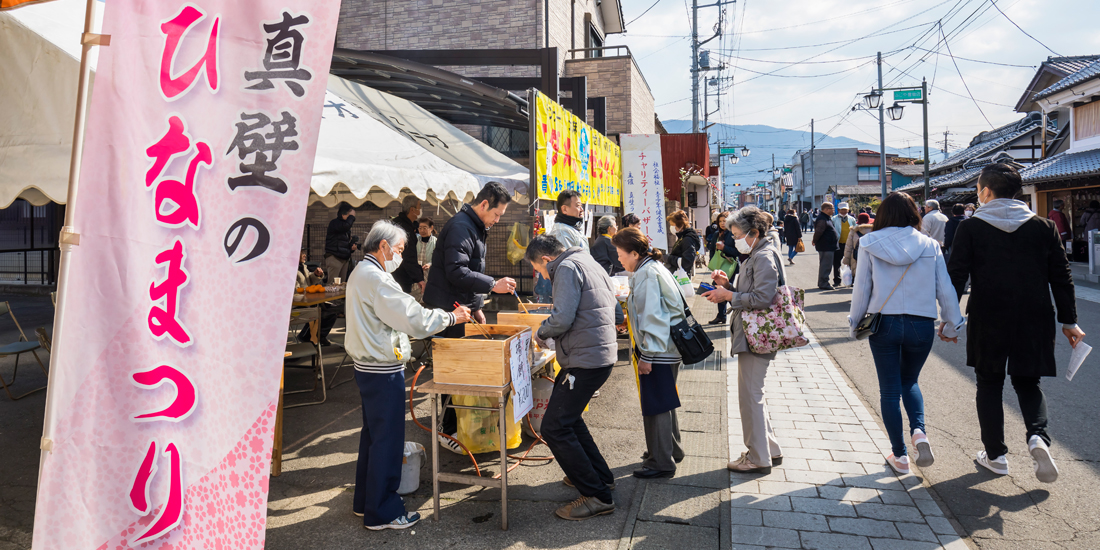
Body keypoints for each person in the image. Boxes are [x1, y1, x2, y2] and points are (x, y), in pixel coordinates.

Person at [947, 163, 1082, 483]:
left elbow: (956, 277)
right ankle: (1037, 436)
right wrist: (1069, 322)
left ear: (985, 192)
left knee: (989, 384)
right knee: (1028, 382)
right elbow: (1062, 278)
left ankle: (996, 456)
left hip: (988, 315)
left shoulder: (971, 227)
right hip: (1034, 315)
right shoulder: (1043, 227)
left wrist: (950, 320)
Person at [345, 220, 472, 530]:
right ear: (383, 246)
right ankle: (383, 512)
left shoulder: (361, 273)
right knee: (387, 441)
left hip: (367, 367)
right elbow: (413, 318)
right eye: (399, 249)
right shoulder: (377, 278)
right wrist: (451, 317)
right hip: (381, 369)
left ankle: (366, 502)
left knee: (373, 438)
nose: (401, 255)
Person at [847, 193, 964, 474]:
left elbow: (862, 288)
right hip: (921, 322)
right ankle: (919, 432)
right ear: (914, 213)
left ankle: (900, 457)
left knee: (889, 389)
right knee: (910, 381)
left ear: (884, 215)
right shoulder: (929, 244)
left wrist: (855, 324)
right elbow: (944, 287)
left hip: (883, 324)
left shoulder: (868, 243)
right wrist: (952, 323)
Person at [525, 236, 618, 520]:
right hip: (597, 354)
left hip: (585, 360)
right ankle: (600, 477)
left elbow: (562, 317)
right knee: (569, 418)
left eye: (539, 271)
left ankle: (596, 495)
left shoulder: (565, 268)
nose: (542, 276)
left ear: (545, 259)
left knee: (554, 427)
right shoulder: (587, 260)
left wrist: (540, 332)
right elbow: (613, 308)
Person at [423, 182, 518, 451]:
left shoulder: (475, 226)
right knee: (451, 370)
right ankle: (447, 430)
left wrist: (477, 306)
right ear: (484, 204)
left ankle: (458, 425)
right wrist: (491, 284)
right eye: (497, 214)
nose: (497, 221)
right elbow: (456, 271)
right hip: (446, 309)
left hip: (461, 307)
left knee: (462, 369)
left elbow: (470, 269)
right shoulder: (461, 226)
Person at [702, 207, 785, 474]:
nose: (734, 240)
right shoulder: (758, 253)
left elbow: (762, 298)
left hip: (755, 334)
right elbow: (753, 292)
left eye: (737, 235)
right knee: (753, 394)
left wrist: (729, 297)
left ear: (754, 233)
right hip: (753, 332)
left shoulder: (763, 256)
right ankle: (769, 448)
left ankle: (757, 457)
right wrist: (729, 287)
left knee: (749, 396)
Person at [613, 227, 685, 479]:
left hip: (658, 349)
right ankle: (669, 450)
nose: (619, 259)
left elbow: (654, 316)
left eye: (621, 254)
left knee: (656, 405)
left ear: (634, 253)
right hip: (665, 347)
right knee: (664, 402)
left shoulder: (646, 273)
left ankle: (661, 462)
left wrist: (647, 356)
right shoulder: (652, 268)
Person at [295, 251, 337, 346]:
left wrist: (315, 275)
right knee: (320, 312)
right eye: (302, 253)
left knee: (332, 311)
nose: (305, 255)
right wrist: (310, 291)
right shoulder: (290, 269)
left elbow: (309, 280)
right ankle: (305, 336)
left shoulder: (303, 266)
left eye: (305, 252)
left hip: (310, 300)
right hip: (299, 303)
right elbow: (296, 290)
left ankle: (320, 336)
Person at [390, 195, 425, 294]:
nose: (421, 209)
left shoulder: (397, 223)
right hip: (400, 275)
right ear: (412, 209)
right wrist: (419, 278)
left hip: (393, 271)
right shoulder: (405, 228)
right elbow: (408, 255)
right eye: (420, 206)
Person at [708, 211, 734, 325]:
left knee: (729, 289)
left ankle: (739, 311)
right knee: (719, 288)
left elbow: (737, 252)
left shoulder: (733, 233)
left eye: (725, 221)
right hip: (719, 266)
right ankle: (721, 315)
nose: (722, 223)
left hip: (730, 266)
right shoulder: (716, 234)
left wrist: (724, 248)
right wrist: (712, 263)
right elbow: (712, 250)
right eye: (720, 221)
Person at [324, 202, 357, 282]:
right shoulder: (335, 223)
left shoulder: (345, 228)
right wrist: (352, 216)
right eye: (350, 217)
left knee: (342, 286)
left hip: (344, 259)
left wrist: (352, 248)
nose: (352, 219)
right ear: (343, 215)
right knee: (332, 285)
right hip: (334, 258)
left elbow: (343, 243)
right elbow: (345, 226)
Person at [812, 202, 839, 290]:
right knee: (826, 265)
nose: (833, 210)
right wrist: (814, 240)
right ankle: (824, 283)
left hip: (829, 245)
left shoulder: (826, 218)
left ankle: (822, 282)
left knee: (826, 265)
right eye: (832, 209)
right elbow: (819, 231)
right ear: (826, 209)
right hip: (825, 246)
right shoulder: (822, 219)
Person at [666, 210, 701, 276]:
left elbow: (686, 262)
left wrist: (669, 258)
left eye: (672, 225)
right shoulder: (683, 236)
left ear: (681, 225)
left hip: (681, 276)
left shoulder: (687, 239)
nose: (671, 227)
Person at [832, 203, 857, 287]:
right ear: (838, 210)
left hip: (849, 245)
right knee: (836, 263)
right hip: (839, 244)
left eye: (845, 209)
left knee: (851, 263)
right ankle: (837, 280)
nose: (843, 211)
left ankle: (852, 280)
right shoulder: (833, 219)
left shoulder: (852, 219)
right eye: (842, 209)